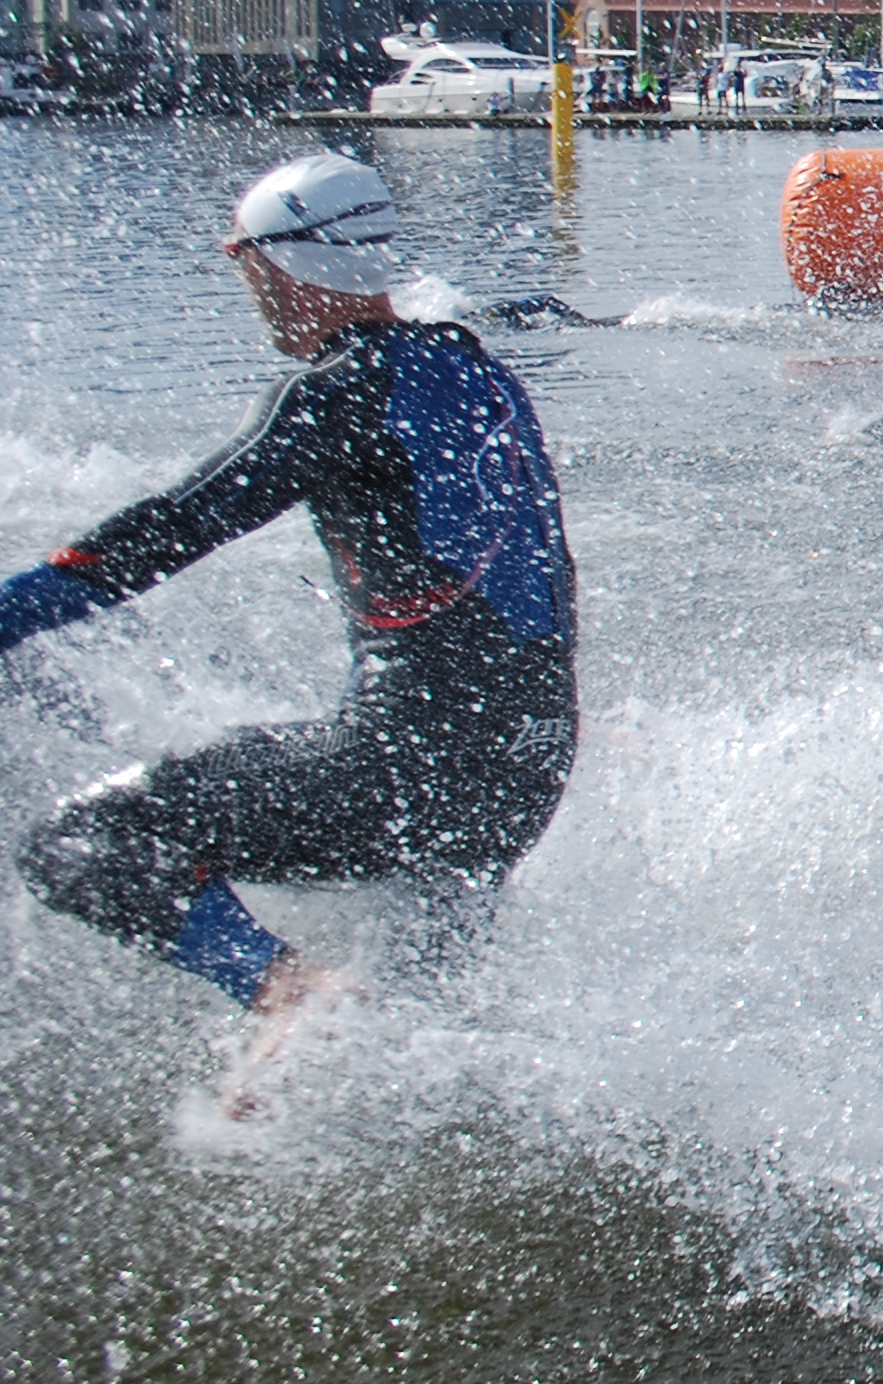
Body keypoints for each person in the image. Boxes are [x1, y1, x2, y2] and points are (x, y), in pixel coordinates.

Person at [6, 155, 577, 1030]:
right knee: (417, 1037)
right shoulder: (482, 374)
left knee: (78, 841)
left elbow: (161, 533)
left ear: (279, 264)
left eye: (243, 259)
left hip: (404, 763)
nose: (247, 282)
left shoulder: (334, 394)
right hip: (526, 769)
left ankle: (281, 990)